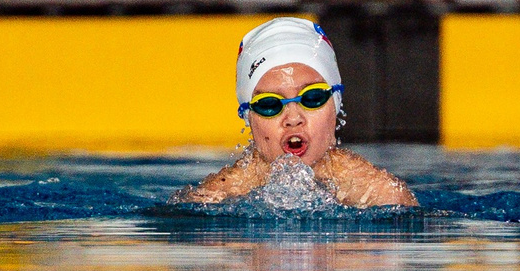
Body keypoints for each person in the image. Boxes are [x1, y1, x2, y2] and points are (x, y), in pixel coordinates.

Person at [177, 18, 417, 209]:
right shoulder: (214, 198)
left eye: (312, 98)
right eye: (269, 104)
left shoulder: (383, 195)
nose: (293, 118)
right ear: (248, 117)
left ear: (335, 106)